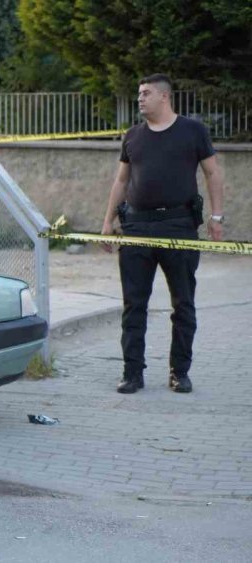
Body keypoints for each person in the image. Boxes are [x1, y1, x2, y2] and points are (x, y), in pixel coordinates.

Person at [100, 74, 226, 395]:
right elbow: (121, 181)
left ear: (164, 98)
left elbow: (212, 173)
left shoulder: (192, 131)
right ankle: (132, 373)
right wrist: (107, 223)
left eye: (146, 94)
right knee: (133, 304)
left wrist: (216, 217)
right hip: (136, 228)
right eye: (139, 93)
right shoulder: (133, 136)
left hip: (179, 226)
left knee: (183, 303)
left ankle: (179, 372)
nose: (140, 99)